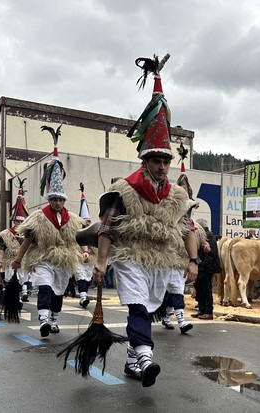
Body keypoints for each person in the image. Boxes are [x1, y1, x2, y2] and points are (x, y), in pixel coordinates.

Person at [92, 54, 198, 388]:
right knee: (138, 308)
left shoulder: (176, 196)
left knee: (149, 308)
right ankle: (147, 358)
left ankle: (132, 362)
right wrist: (101, 261)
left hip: (162, 260)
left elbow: (186, 228)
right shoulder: (125, 189)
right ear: (146, 159)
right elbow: (107, 227)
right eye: (157, 161)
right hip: (131, 256)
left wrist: (193, 260)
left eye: (166, 162)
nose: (163, 167)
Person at [12, 124, 88, 337]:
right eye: (53, 199)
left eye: (60, 200)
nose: (57, 203)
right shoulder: (37, 217)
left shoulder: (72, 219)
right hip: (43, 258)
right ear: (49, 199)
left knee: (58, 292)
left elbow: (79, 237)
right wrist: (18, 259)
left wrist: (85, 250)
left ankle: (54, 319)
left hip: (63, 260)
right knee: (44, 287)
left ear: (64, 200)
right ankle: (43, 319)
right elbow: (27, 240)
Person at [160, 173, 197, 333]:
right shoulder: (165, 213)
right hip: (163, 259)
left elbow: (192, 234)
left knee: (176, 289)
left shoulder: (189, 222)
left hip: (179, 261)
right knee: (165, 291)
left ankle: (180, 321)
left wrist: (194, 259)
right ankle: (165, 317)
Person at [0, 184, 31, 304]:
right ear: (13, 220)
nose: (19, 223)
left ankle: (20, 296)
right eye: (17, 221)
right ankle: (14, 298)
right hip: (10, 260)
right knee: (11, 278)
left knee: (22, 280)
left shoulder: (29, 232)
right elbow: (1, 247)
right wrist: (0, 259)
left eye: (22, 221)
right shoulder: (5, 234)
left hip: (24, 260)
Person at [192, 218, 221, 320]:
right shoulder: (205, 235)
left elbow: (210, 254)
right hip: (202, 267)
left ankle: (208, 311)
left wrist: (203, 266)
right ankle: (202, 309)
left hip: (206, 268)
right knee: (200, 289)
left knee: (206, 289)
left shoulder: (208, 236)